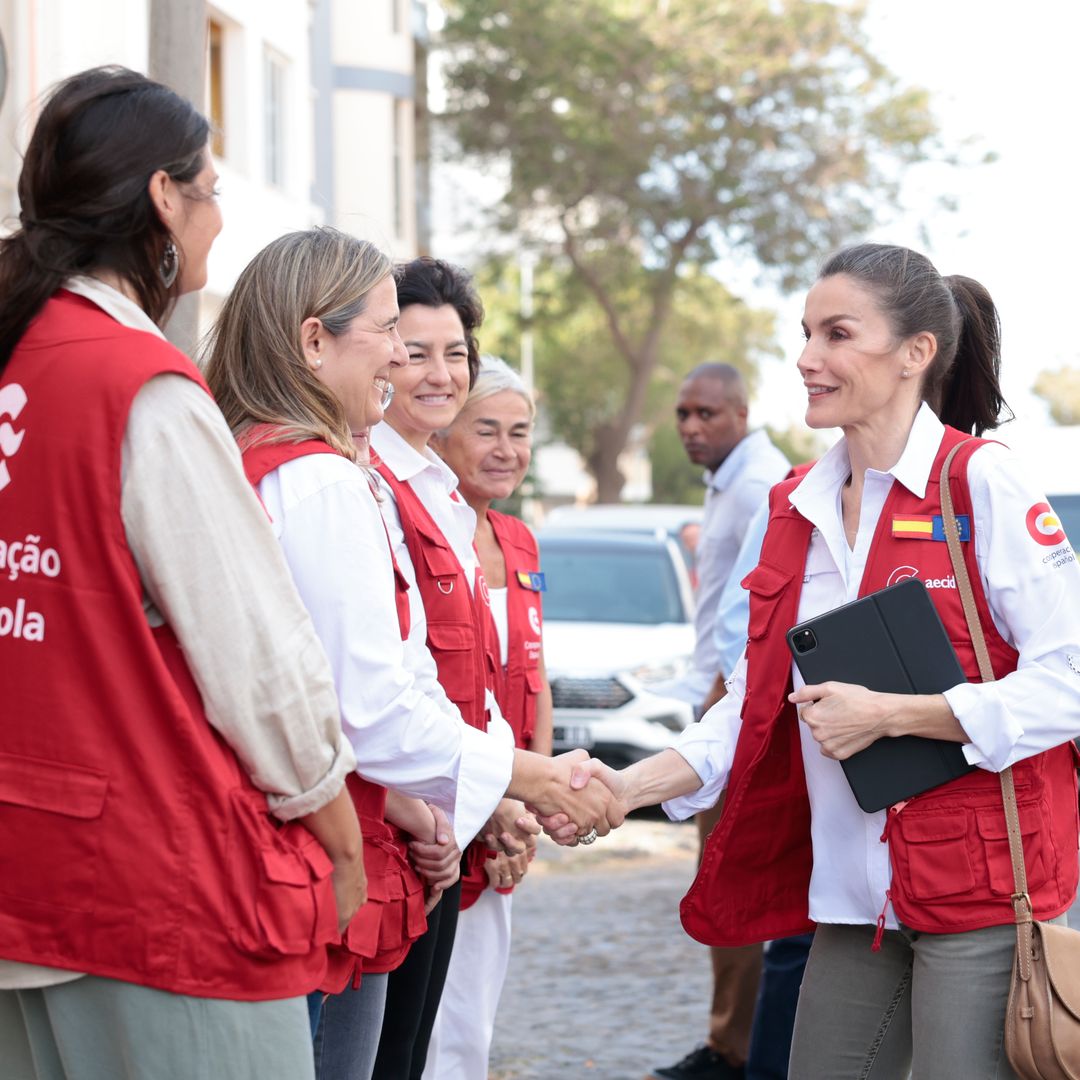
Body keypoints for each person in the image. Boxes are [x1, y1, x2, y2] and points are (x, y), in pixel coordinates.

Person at [549, 242, 1080, 1079]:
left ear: (916, 354)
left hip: (979, 891)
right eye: (804, 334)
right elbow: (758, 705)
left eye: (836, 334)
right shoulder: (793, 505)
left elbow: (1071, 682)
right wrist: (628, 786)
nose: (806, 359)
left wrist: (896, 715)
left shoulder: (982, 485)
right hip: (854, 900)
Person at [0, 68, 366, 1080]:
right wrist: (339, 835)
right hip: (149, 884)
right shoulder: (139, 388)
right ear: (164, 198)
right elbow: (259, 661)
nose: (216, 220)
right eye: (211, 191)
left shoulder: (19, 359)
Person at [202, 234, 614, 1080]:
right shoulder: (321, 481)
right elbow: (371, 704)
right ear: (314, 342)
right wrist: (522, 779)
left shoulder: (268, 459)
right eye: (391, 334)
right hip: (312, 859)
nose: (404, 358)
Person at [369, 257, 549, 1080]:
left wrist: (518, 799)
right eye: (416, 350)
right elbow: (376, 690)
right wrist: (508, 793)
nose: (439, 374)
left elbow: (501, 678)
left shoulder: (454, 503)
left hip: (459, 811)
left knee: (444, 1043)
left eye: (456, 352)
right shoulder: (367, 483)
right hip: (399, 826)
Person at [653, 364, 789, 1080]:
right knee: (721, 874)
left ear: (741, 412)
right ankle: (730, 1041)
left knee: (732, 879)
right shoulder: (729, 484)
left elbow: (757, 613)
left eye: (706, 413)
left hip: (737, 704)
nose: (691, 428)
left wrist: (723, 697)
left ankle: (734, 1049)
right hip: (716, 697)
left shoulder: (763, 484)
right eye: (682, 414)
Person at [423, 356, 553, 1080]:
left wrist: (530, 806)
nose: (507, 449)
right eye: (487, 430)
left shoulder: (520, 539)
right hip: (444, 804)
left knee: (471, 1024)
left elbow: (533, 676)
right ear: (444, 436)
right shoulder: (428, 534)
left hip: (506, 811)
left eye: (521, 432)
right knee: (427, 1028)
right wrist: (500, 796)